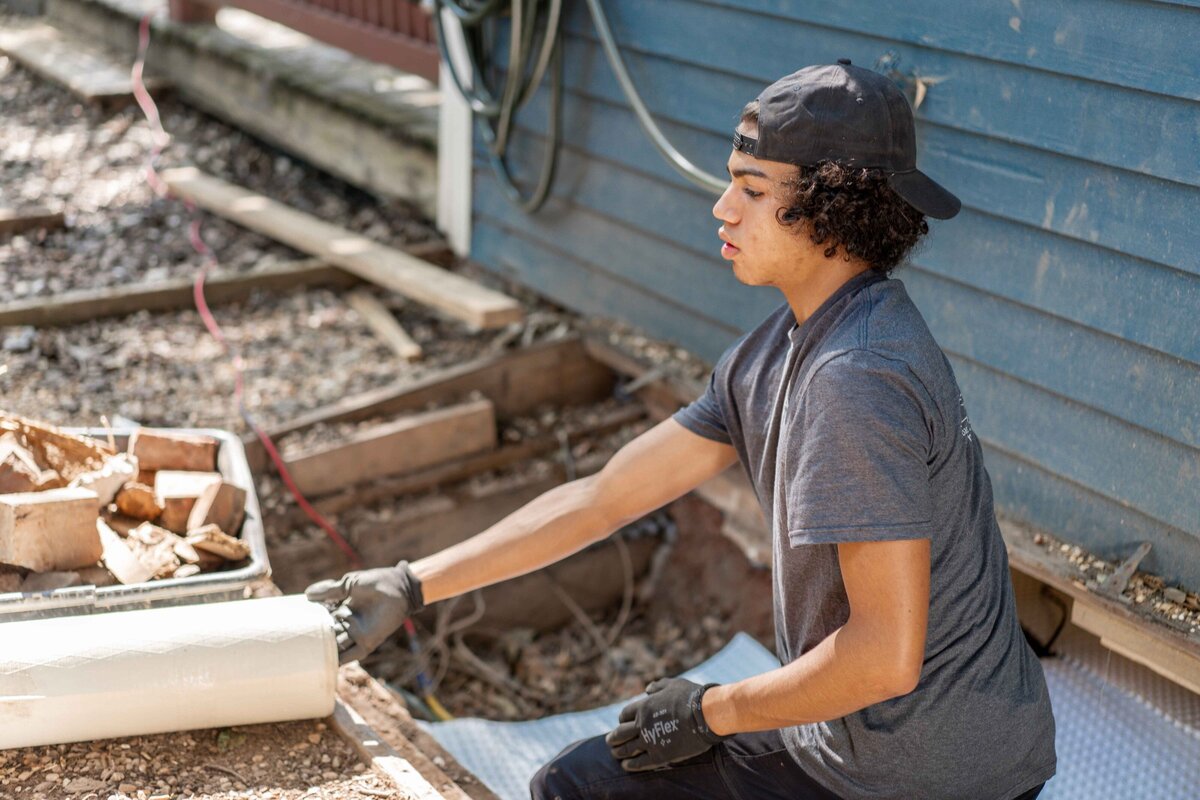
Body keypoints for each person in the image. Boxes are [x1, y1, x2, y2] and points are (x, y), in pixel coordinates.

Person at [305, 60, 1057, 800]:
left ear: (836, 212)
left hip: (924, 774)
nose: (723, 207)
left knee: (580, 787)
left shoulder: (855, 380)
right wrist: (409, 586)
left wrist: (709, 711)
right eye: (733, 179)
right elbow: (605, 498)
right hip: (884, 740)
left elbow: (884, 657)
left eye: (754, 190)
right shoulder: (786, 346)